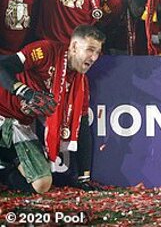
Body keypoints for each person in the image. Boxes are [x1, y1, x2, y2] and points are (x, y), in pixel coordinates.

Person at [0, 25, 105, 193]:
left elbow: (82, 127)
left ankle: (4, 164)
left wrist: (84, 178)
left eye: (97, 52)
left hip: (17, 126)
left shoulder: (80, 85)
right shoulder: (46, 50)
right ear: (74, 47)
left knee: (42, 184)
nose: (94, 57)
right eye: (90, 50)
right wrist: (25, 92)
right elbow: (3, 67)